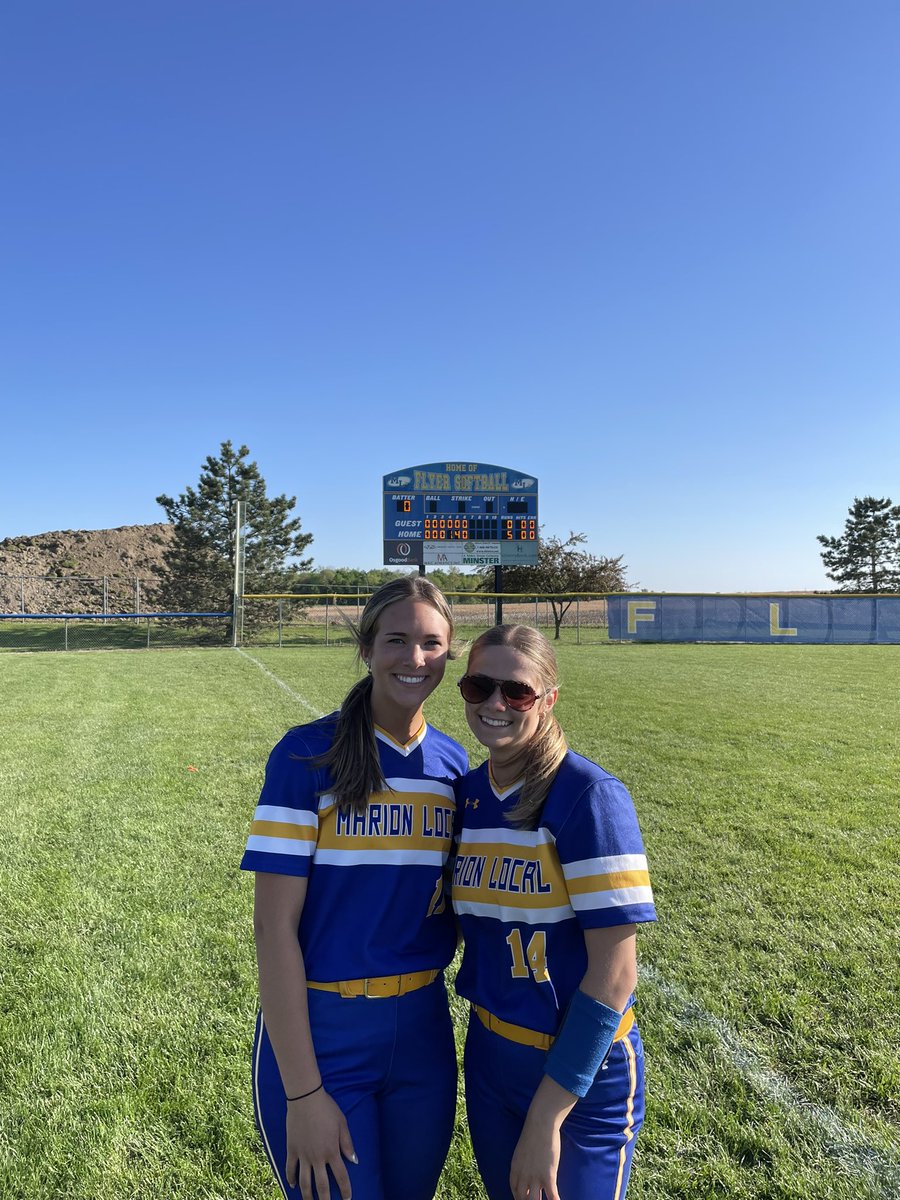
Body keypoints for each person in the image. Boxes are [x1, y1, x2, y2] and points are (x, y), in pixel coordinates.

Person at [240, 577, 467, 1200]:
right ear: (365, 648)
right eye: (396, 640)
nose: (414, 658)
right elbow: (273, 929)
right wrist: (303, 1093)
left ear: (449, 653)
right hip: (324, 1030)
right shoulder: (305, 755)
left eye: (431, 643)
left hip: (422, 1030)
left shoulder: (454, 768)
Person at [451, 625, 656, 1200]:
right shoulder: (466, 796)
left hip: (580, 1073)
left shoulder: (589, 795)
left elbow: (615, 975)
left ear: (548, 699)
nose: (495, 704)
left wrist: (547, 1117)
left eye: (517, 692)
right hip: (490, 1055)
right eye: (479, 686)